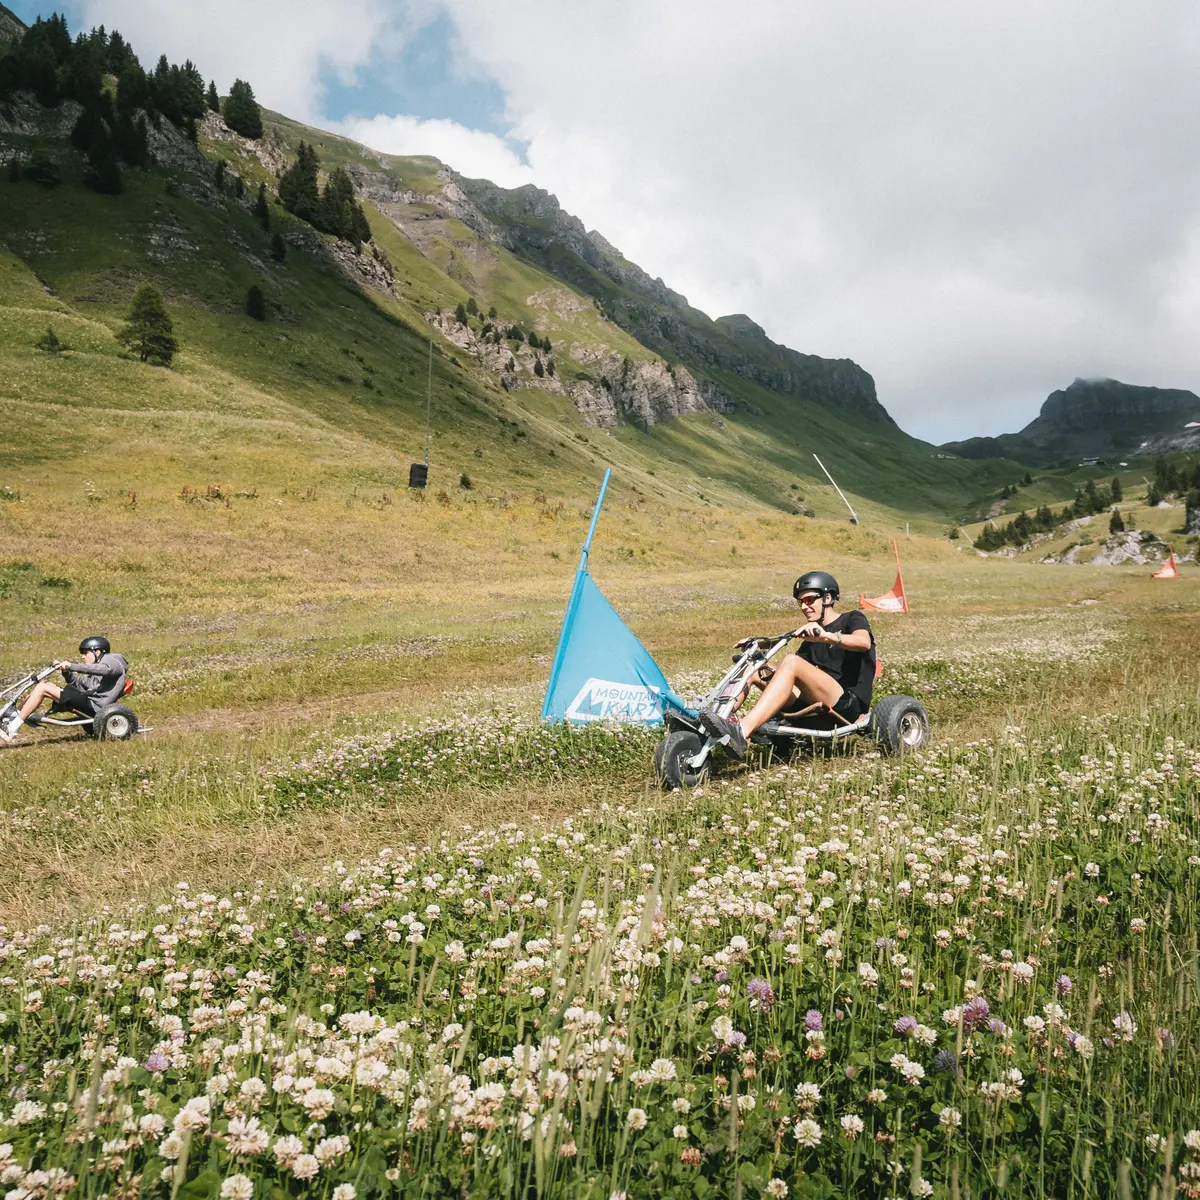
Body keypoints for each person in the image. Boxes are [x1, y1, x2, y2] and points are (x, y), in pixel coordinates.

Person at [700, 570, 875, 758]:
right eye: (801, 602)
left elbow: (863, 642)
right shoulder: (810, 639)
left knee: (792, 661)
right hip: (815, 705)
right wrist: (757, 653)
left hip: (846, 706)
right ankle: (711, 723)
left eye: (809, 600)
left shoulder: (852, 618)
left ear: (828, 598)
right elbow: (791, 677)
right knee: (756, 668)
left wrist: (827, 636)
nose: (804, 607)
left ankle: (742, 730)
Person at [0, 636, 128, 743]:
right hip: (89, 700)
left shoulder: (112, 661)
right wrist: (66, 672)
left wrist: (71, 666)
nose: (83, 657)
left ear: (98, 652)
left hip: (96, 706)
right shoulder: (98, 671)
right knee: (45, 684)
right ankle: (15, 715)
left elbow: (103, 669)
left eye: (85, 653)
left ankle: (13, 727)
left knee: (42, 688)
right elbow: (80, 683)